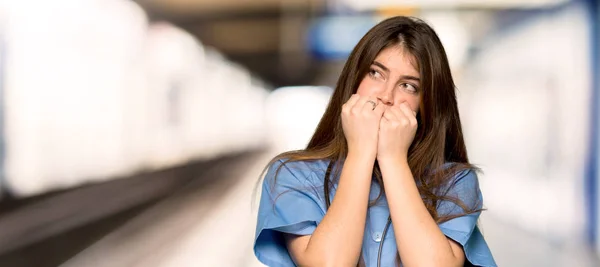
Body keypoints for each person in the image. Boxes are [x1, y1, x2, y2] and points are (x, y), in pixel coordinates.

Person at [253, 16, 497, 267]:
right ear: (354, 79)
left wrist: (393, 159)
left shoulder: (453, 181)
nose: (386, 96)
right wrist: (361, 151)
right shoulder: (293, 174)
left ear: (427, 105)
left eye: (408, 86)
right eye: (376, 73)